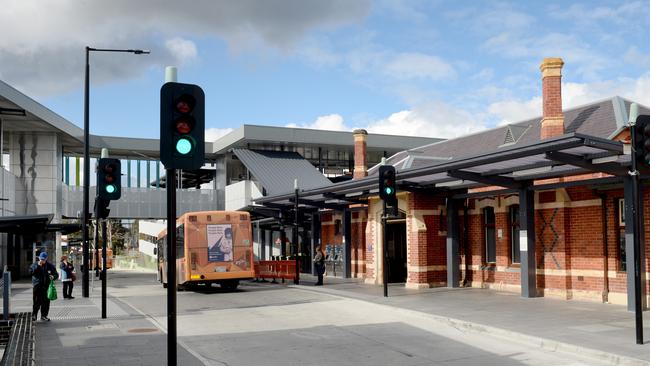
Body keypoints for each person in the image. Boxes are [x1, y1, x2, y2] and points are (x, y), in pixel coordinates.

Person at [29, 252, 59, 321]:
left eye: (44, 259)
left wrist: (53, 276)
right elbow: (30, 272)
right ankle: (34, 315)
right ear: (39, 258)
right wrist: (37, 266)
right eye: (41, 259)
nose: (42, 261)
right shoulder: (34, 265)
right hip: (37, 286)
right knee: (36, 302)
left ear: (46, 258)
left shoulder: (50, 266)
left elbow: (56, 274)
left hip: (47, 286)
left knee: (46, 302)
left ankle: (44, 315)